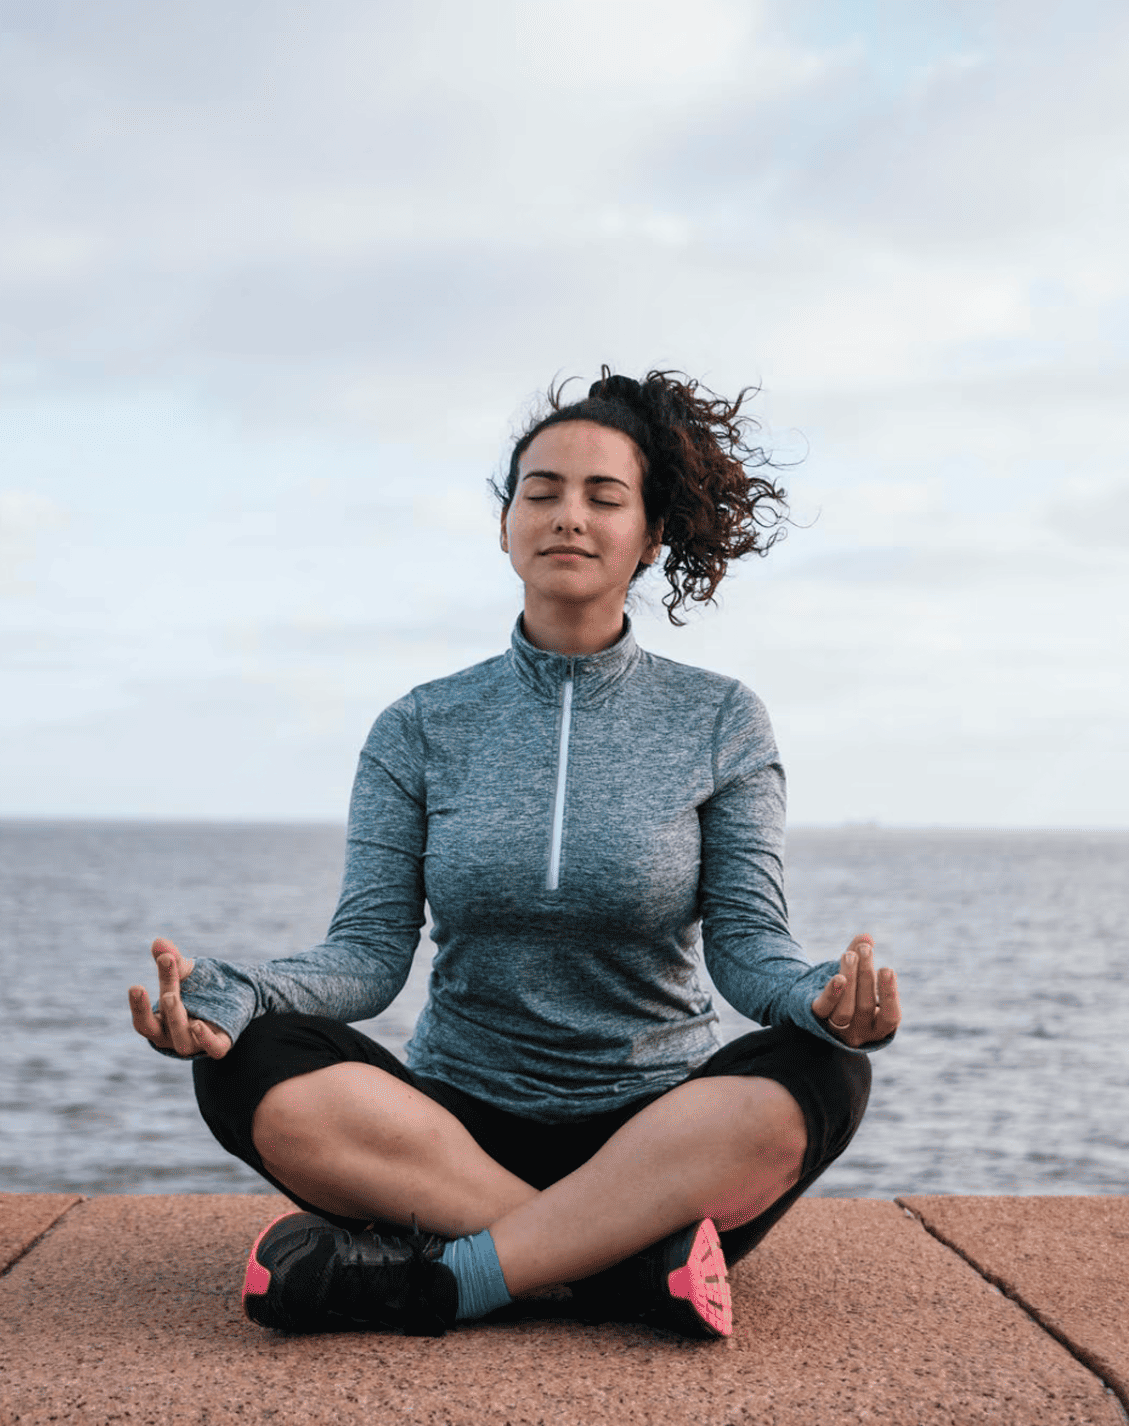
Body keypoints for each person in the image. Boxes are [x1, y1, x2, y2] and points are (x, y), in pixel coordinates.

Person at [128, 368, 900, 1340]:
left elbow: (747, 948)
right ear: (504, 527)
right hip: (450, 1128)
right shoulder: (418, 724)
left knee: (824, 1070)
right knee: (245, 1064)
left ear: (650, 534)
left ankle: (444, 1279)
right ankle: (620, 1267)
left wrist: (818, 997)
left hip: (656, 1130)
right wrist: (237, 993)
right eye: (539, 492)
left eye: (602, 495)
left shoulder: (720, 720)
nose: (567, 515)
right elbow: (366, 954)